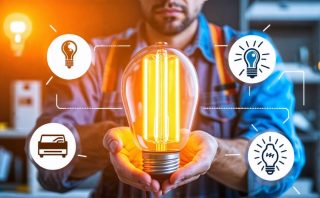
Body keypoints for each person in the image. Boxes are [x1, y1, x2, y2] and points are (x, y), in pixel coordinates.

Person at [26, 0, 305, 197]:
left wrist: (215, 152)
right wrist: (110, 141)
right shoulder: (93, 58)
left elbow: (281, 168)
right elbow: (47, 160)